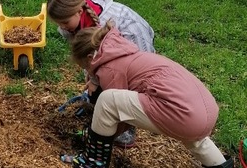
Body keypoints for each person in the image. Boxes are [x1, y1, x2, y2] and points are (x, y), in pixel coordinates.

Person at [63, 21, 233, 168]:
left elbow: (117, 117)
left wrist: (94, 136)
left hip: (183, 112)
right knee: (195, 138)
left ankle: (92, 162)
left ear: (91, 57)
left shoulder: (109, 69)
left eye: (85, 66)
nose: (88, 72)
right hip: (202, 111)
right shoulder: (126, 53)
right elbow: (128, 109)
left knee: (107, 101)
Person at [48, 0, 155, 147]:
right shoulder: (80, 19)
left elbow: (106, 61)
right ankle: (98, 107)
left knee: (117, 87)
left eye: (65, 22)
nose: (63, 27)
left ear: (78, 11)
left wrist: (96, 80)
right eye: (59, 23)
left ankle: (126, 127)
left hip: (133, 50)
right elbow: (89, 56)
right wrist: (92, 78)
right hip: (110, 51)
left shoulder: (104, 24)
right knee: (98, 83)